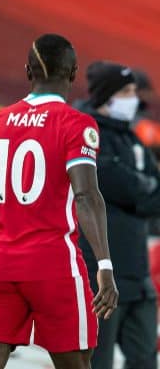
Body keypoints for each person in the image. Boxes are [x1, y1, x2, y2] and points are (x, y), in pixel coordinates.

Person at [0, 34, 118, 369]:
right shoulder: (75, 124)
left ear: (28, 72)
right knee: (76, 362)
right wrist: (105, 266)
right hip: (53, 264)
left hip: (0, 263)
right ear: (73, 72)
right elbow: (86, 195)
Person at [78, 62, 160, 369]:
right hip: (101, 275)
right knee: (98, 362)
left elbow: (149, 193)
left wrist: (139, 189)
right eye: (126, 92)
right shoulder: (87, 135)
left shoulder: (132, 138)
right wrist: (142, 188)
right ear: (107, 97)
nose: (133, 98)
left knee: (144, 360)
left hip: (138, 277)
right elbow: (113, 182)